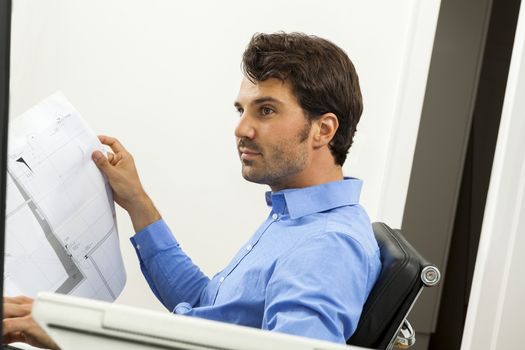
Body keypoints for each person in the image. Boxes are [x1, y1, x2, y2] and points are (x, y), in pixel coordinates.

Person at [3, 32, 381, 348]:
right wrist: (137, 201)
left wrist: (82, 339)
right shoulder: (295, 218)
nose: (242, 129)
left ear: (324, 130)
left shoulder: (326, 246)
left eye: (265, 110)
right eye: (241, 110)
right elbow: (204, 306)